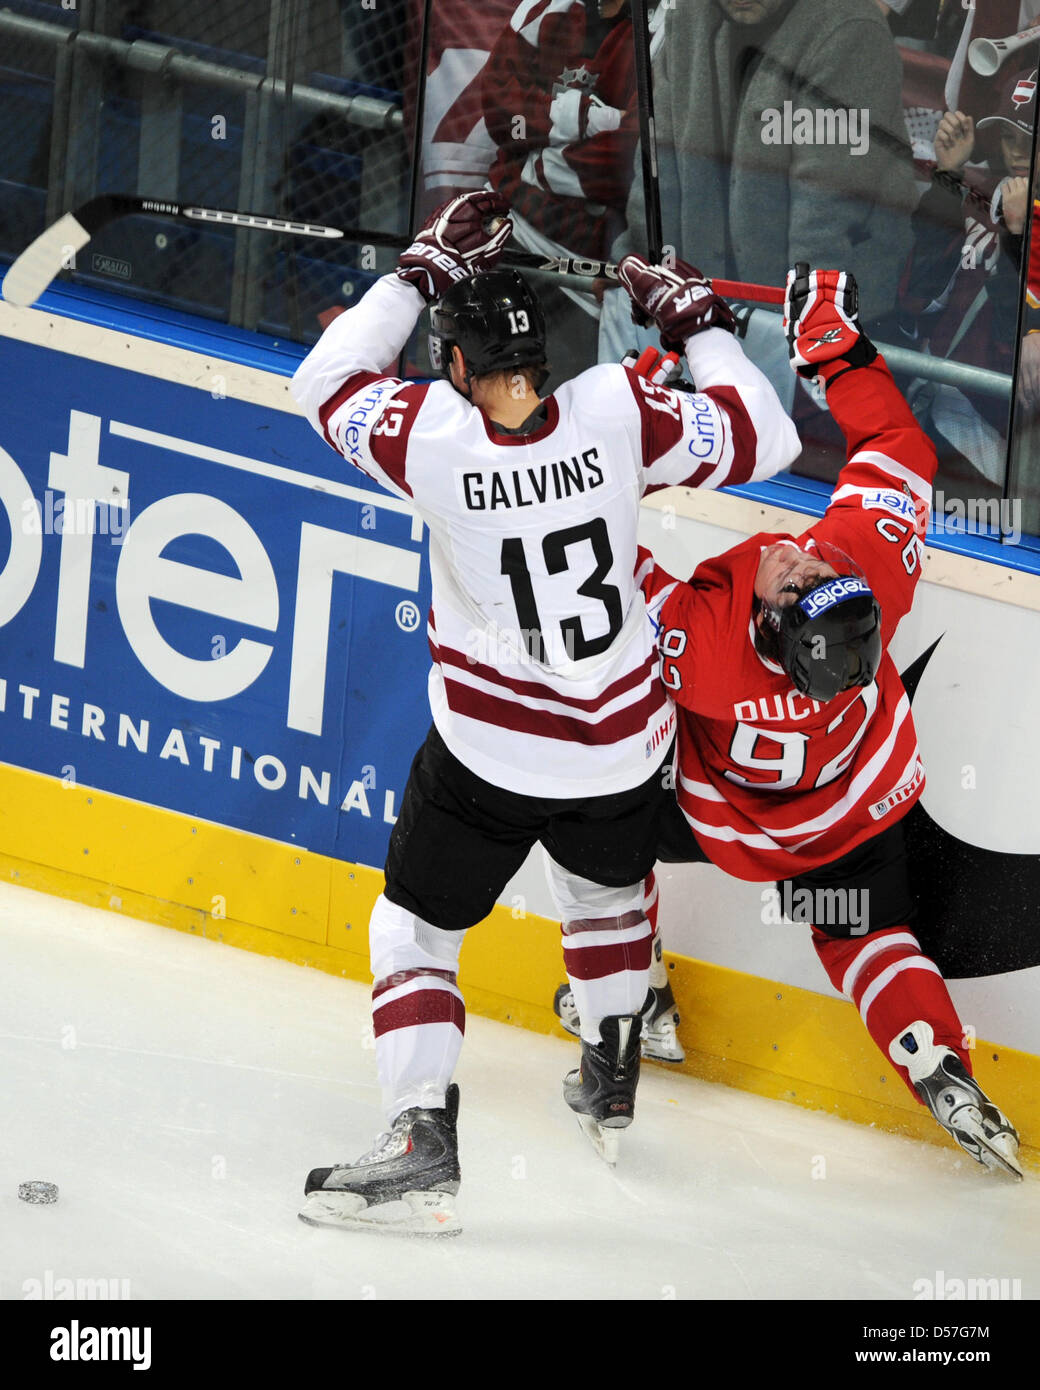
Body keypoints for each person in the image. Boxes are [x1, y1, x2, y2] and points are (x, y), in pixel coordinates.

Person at [289, 190, 801, 1232]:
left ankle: (419, 1134)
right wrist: (694, 321)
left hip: (485, 758)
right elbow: (770, 438)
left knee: (417, 930)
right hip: (618, 747)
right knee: (607, 901)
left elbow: (323, 382)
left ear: (459, 370)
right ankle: (611, 1068)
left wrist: (415, 271)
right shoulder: (620, 411)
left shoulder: (432, 437)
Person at [567, 256, 1023, 1177]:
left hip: (724, 819)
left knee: (591, 822)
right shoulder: (874, 576)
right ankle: (932, 1054)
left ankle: (635, 1000)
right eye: (819, 577)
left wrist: (640, 397)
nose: (801, 564)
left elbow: (585, 535)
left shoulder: (702, 644)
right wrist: (836, 350)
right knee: (864, 930)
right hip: (852, 812)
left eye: (795, 585)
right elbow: (901, 450)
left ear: (769, 631)